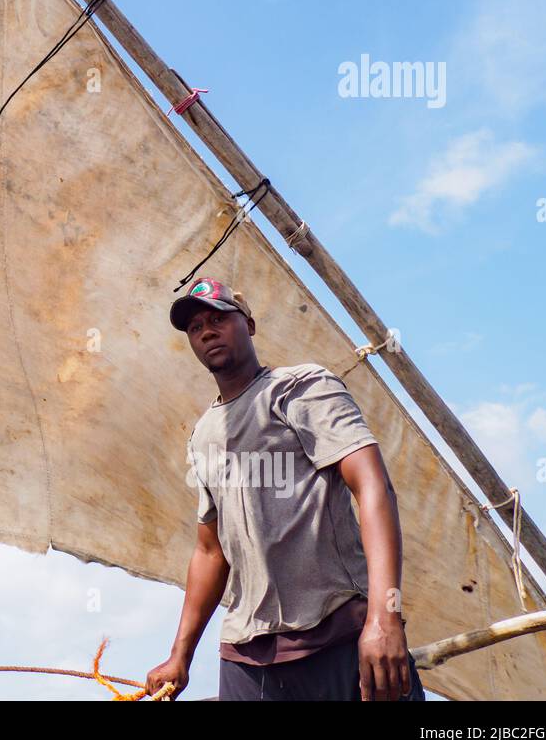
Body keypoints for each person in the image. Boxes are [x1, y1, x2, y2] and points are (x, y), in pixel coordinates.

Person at [145, 276, 425, 701]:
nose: (206, 330)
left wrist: (384, 618)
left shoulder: (301, 388)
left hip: (338, 635)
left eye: (219, 317)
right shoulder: (202, 435)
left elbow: (373, 486)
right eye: (195, 327)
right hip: (247, 659)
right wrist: (179, 656)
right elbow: (210, 550)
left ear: (250, 325)